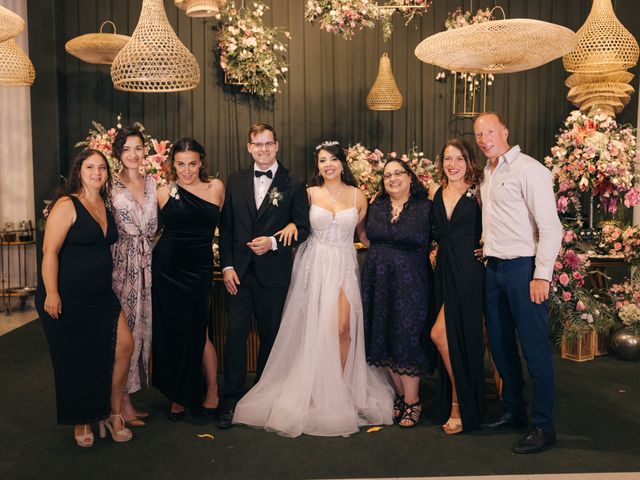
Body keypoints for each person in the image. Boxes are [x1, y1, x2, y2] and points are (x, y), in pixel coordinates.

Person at [232, 141, 394, 437]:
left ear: (343, 163)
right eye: (322, 160)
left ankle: (342, 387)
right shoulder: (307, 194)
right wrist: (286, 231)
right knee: (315, 329)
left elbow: (365, 237)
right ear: (317, 166)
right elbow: (294, 225)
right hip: (314, 265)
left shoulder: (359, 196)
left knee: (343, 329)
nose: (328, 165)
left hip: (344, 266)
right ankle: (315, 388)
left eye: (333, 159)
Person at [474, 112, 562, 453]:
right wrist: (487, 244)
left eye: (490, 131)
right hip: (494, 269)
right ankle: (513, 411)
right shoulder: (487, 173)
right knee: (499, 345)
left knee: (534, 348)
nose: (484, 138)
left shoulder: (530, 169)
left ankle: (544, 426)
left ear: (505, 131)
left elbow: (550, 228)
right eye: (479, 134)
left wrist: (542, 274)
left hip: (524, 270)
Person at [36, 149, 134, 447]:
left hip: (101, 294)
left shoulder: (104, 204)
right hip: (67, 294)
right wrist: (52, 293)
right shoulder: (67, 204)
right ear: (79, 171)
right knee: (76, 359)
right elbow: (49, 252)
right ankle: (81, 420)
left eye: (102, 168)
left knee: (124, 347)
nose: (96, 173)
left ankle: (113, 412)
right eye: (90, 167)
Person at [217, 123, 311, 428]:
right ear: (249, 147)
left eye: (269, 144)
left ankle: (265, 395)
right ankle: (230, 398)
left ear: (277, 145)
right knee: (236, 335)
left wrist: (272, 242)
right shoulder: (235, 180)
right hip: (239, 274)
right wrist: (227, 266)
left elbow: (303, 228)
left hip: (274, 273)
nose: (263, 149)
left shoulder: (293, 182)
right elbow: (227, 227)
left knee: (271, 337)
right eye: (257, 144)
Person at [152, 138, 224, 421]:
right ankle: (177, 395)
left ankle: (212, 391)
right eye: (180, 164)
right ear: (173, 165)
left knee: (199, 331)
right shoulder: (163, 192)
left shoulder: (215, 188)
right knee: (172, 332)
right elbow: (151, 231)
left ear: (201, 162)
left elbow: (228, 228)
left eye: (192, 163)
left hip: (199, 269)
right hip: (167, 268)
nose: (186, 170)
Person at [361, 159, 434, 428]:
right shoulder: (376, 206)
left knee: (407, 337)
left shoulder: (425, 208)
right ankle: (402, 397)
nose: (392, 178)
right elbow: (364, 236)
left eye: (398, 173)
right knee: (384, 337)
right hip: (378, 280)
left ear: (410, 177)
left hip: (411, 282)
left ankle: (413, 401)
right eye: (387, 175)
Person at [429, 139, 485, 435]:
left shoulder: (479, 192)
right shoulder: (435, 191)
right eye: (447, 159)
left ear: (469, 161)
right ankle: (460, 398)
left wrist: (489, 247)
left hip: (470, 270)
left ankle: (459, 403)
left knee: (441, 334)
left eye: (459, 159)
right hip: (443, 269)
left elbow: (497, 223)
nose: (452, 164)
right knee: (449, 336)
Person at [110, 127, 158, 427]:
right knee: (123, 333)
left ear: (145, 151)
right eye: (126, 148)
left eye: (138, 148)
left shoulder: (154, 183)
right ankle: (120, 401)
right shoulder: (109, 185)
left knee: (142, 327)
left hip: (148, 263)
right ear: (118, 152)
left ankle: (130, 394)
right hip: (120, 264)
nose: (133, 154)